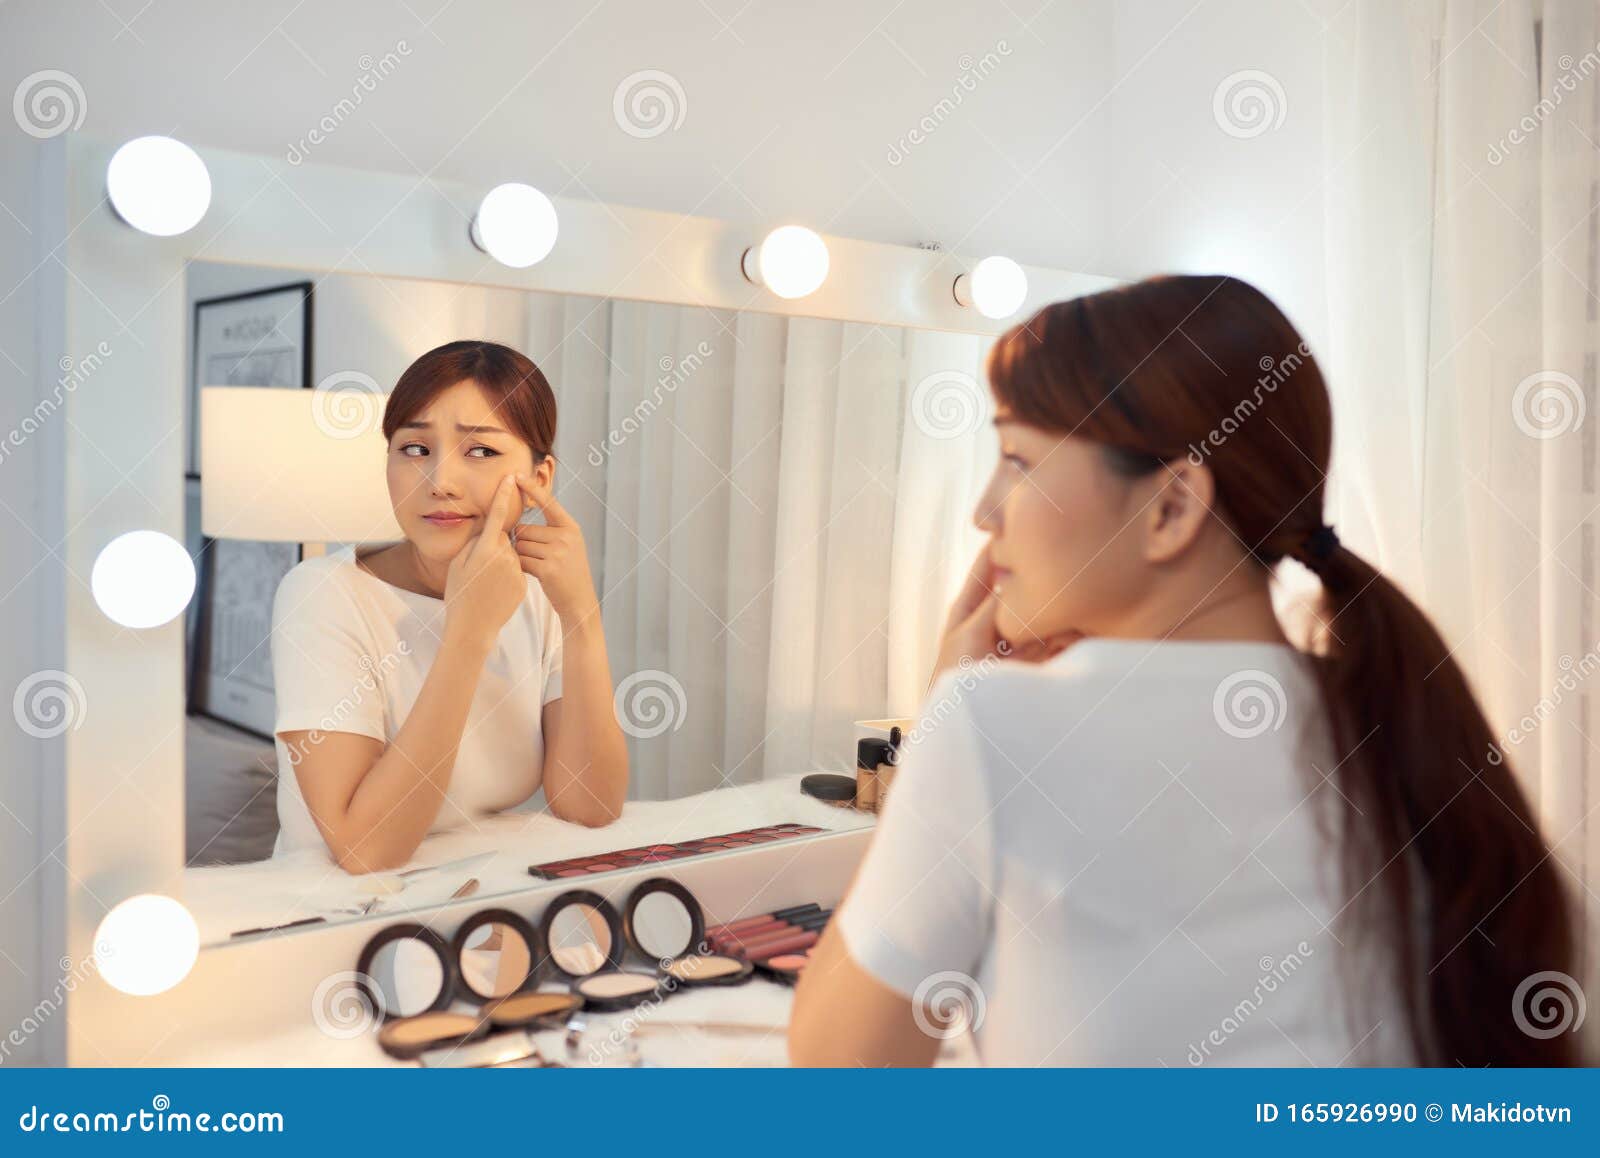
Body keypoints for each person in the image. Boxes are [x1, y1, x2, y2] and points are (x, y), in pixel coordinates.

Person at [788, 275, 1583, 1067]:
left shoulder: (992, 724)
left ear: (1171, 508)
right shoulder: (1394, 716)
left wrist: (936, 723)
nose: (985, 510)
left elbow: (840, 1086)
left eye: (1017, 460)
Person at [270, 340, 627, 870]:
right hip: (338, 918)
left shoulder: (538, 595)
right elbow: (365, 851)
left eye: (481, 452)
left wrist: (581, 616)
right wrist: (468, 633)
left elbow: (589, 806)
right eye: (415, 449)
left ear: (539, 480)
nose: (441, 483)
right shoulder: (323, 595)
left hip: (477, 909)